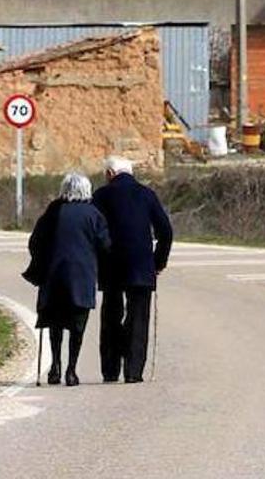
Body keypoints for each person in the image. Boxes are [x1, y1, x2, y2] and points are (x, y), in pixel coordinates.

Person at [23, 172, 111, 387]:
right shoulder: (93, 214)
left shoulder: (53, 211)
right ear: (86, 190)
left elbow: (35, 242)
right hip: (81, 276)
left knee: (55, 323)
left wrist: (41, 262)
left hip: (54, 275)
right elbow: (105, 245)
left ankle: (55, 367)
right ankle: (71, 370)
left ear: (64, 189)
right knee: (77, 325)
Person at [93, 155, 173, 384]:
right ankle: (134, 371)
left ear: (110, 174)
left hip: (111, 265)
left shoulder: (101, 195)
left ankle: (110, 370)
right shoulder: (147, 194)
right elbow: (165, 231)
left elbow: (94, 230)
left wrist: (95, 259)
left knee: (111, 315)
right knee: (138, 318)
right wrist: (158, 262)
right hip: (141, 266)